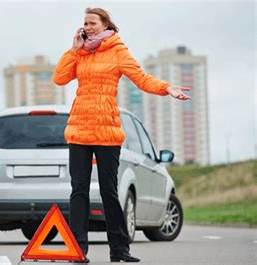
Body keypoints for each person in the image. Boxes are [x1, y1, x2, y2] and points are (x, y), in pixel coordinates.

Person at [53, 7, 191, 263]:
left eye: (92, 22)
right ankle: (78, 251)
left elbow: (141, 78)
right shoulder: (80, 52)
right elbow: (59, 78)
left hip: (107, 132)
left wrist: (167, 88)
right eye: (85, 22)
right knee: (78, 191)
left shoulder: (118, 51)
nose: (88, 26)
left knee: (109, 192)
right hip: (79, 130)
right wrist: (72, 50)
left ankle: (119, 249)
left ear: (105, 24)